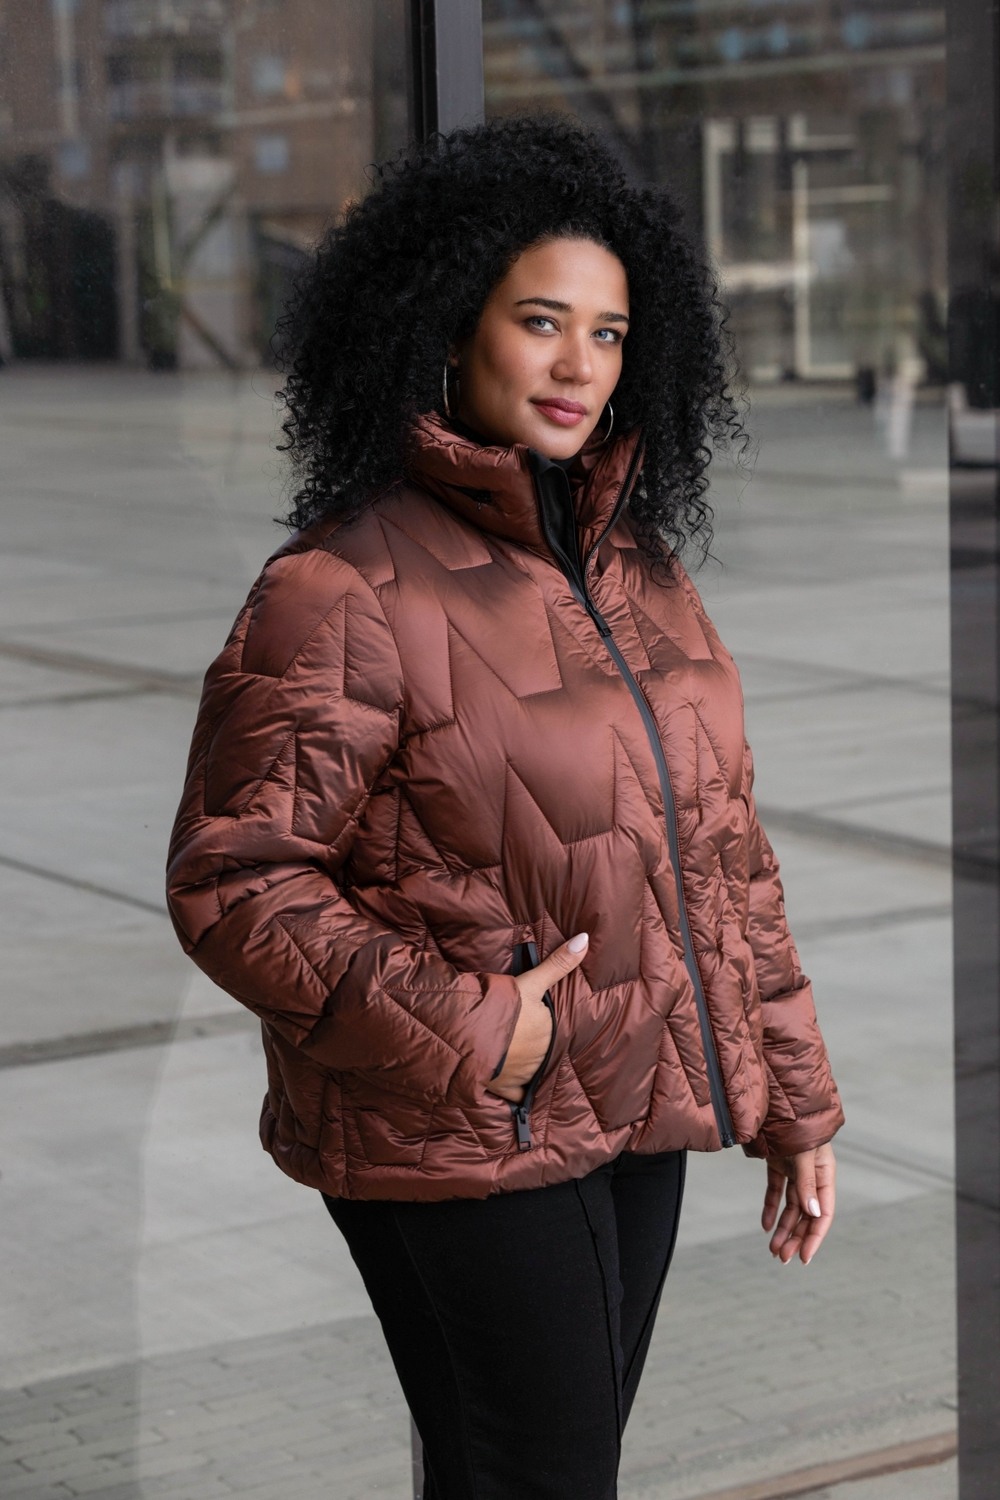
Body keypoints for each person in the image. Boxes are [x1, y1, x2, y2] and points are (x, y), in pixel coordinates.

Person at [166, 113, 845, 1500]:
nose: (579, 366)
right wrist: (478, 1028)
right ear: (451, 323)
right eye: (541, 322)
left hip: (631, 1106)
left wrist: (795, 1097)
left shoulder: (638, 570)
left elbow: (723, 856)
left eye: (609, 333)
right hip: (465, 1115)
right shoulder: (343, 586)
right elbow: (236, 881)